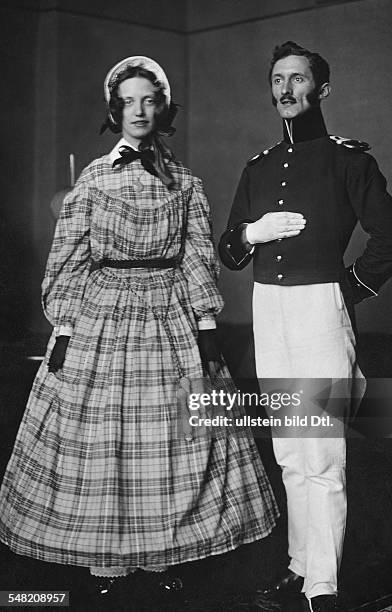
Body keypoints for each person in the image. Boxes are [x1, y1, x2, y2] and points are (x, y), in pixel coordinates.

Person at [0, 56, 278, 598]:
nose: (139, 111)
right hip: (103, 316)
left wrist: (205, 326)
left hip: (168, 316)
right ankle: (109, 564)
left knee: (172, 435)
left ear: (163, 109)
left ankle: (159, 557)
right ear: (114, 110)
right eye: (128, 101)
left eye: (149, 100)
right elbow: (67, 260)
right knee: (106, 437)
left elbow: (198, 257)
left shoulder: (186, 183)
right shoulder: (94, 180)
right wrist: (65, 330)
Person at [219, 41, 392, 612]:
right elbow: (229, 251)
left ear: (320, 90)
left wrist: (343, 289)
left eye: (297, 79)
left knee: (321, 449)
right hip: (268, 310)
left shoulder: (349, 160)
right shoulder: (256, 167)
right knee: (288, 447)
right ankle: (300, 565)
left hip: (319, 312)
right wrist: (252, 234)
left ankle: (322, 585)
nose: (284, 89)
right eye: (277, 79)